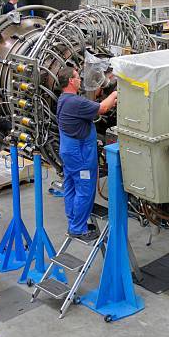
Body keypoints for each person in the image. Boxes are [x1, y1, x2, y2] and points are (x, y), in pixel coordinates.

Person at [56, 66, 117, 242]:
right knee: (85, 188)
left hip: (69, 151)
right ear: (70, 81)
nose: (80, 80)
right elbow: (104, 108)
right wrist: (115, 94)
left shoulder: (64, 99)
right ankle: (78, 228)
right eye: (77, 77)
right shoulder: (76, 103)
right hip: (80, 154)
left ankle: (73, 219)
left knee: (71, 185)